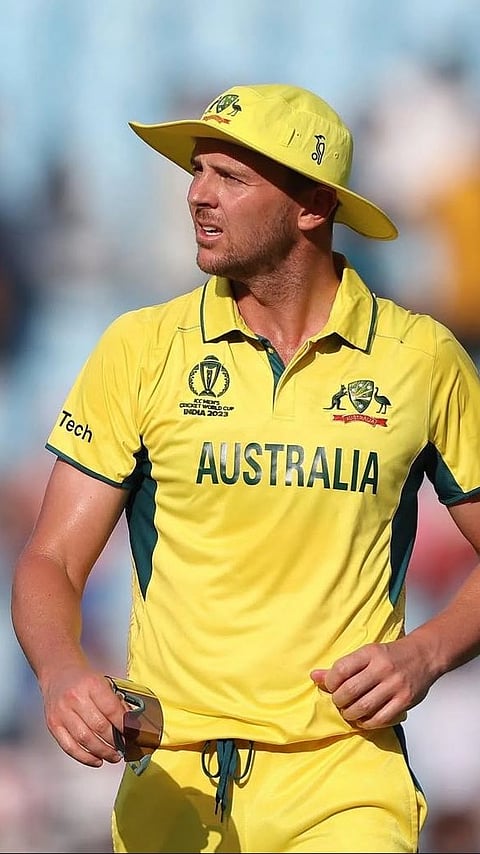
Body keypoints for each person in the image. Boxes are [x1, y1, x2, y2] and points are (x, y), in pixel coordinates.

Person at [10, 82, 480, 854]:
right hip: (173, 776)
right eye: (197, 171)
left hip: (346, 779)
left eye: (230, 177)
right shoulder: (140, 349)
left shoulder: (422, 359)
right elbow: (51, 558)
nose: (197, 194)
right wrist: (61, 673)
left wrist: (427, 653)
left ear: (312, 207)